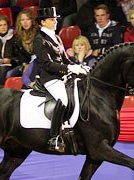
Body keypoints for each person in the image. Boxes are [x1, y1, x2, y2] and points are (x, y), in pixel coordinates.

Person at [33, 7, 88, 152]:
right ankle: (54, 137)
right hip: (50, 78)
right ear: (43, 22)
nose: (55, 22)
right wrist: (68, 69)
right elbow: (46, 64)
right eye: (52, 20)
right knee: (63, 100)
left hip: (62, 76)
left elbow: (64, 58)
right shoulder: (39, 40)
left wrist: (78, 67)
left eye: (56, 19)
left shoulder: (56, 37)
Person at [6, 9, 39, 78]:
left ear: (32, 21)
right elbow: (20, 55)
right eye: (22, 20)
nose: (25, 22)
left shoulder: (38, 34)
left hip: (38, 63)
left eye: (27, 19)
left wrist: (30, 66)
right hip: (25, 64)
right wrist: (25, 64)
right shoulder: (18, 37)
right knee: (9, 74)